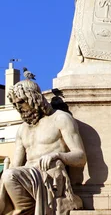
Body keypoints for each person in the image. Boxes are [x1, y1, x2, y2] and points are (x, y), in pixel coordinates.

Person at [0, 78, 86, 215]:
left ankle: (24, 210)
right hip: (27, 178)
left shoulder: (60, 119)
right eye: (15, 104)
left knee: (9, 175)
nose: (18, 107)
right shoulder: (22, 129)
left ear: (34, 98)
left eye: (21, 102)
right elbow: (15, 166)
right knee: (7, 176)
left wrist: (57, 155)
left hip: (50, 178)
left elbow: (80, 157)